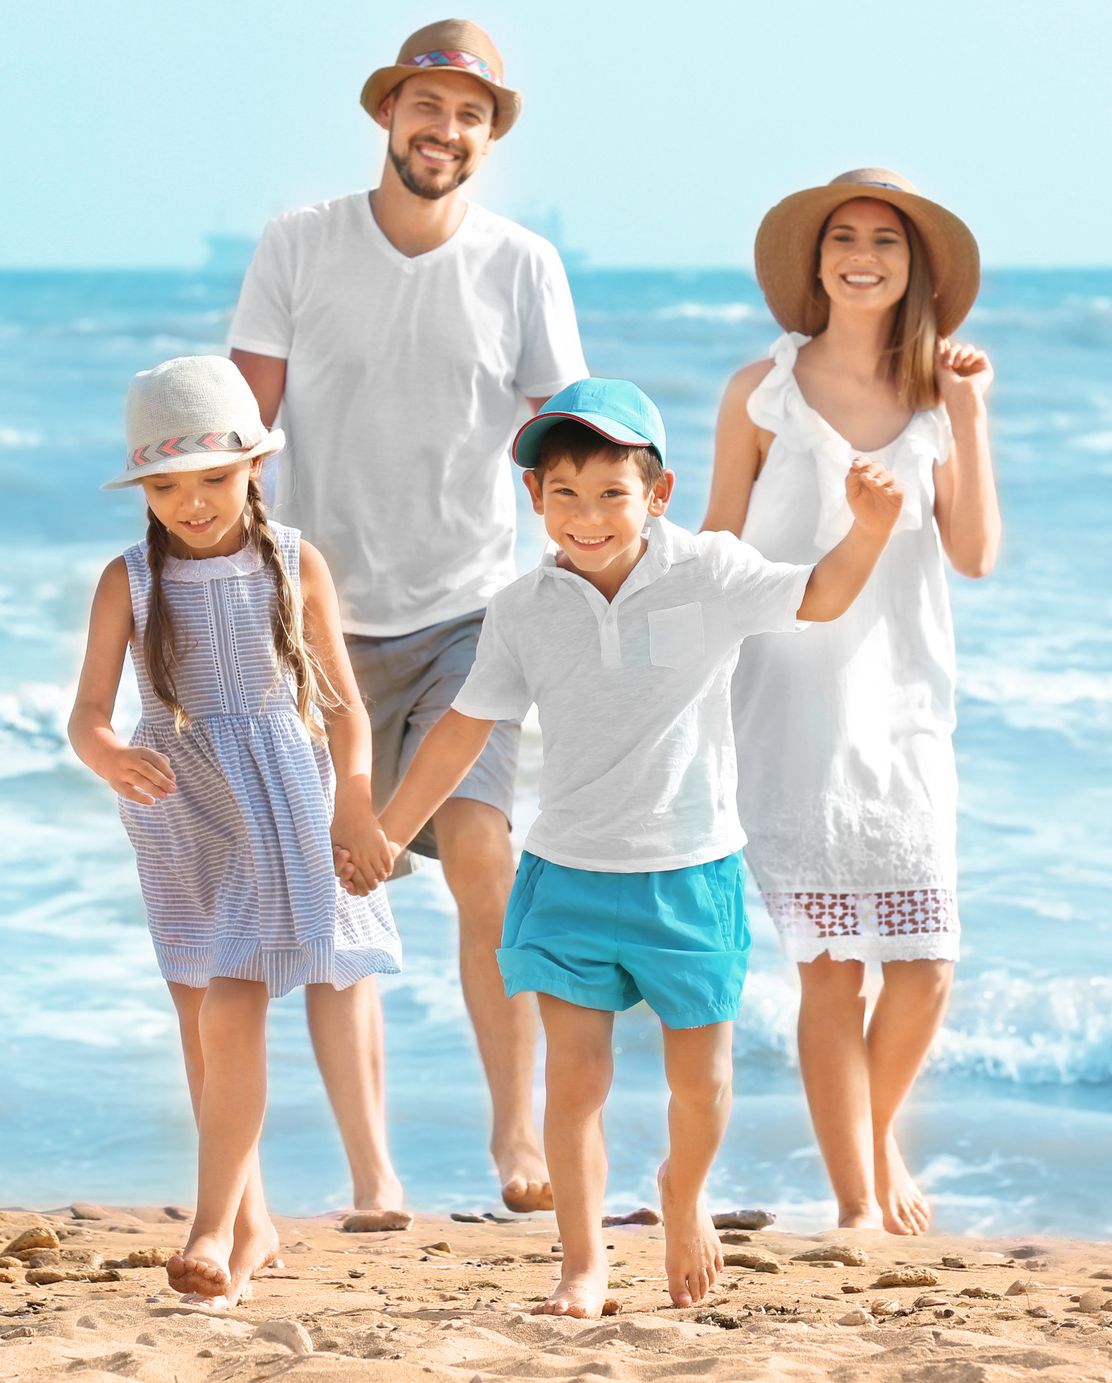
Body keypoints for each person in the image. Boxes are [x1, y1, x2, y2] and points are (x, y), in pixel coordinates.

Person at [365, 378, 905, 1316]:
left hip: (689, 874)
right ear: (535, 501)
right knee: (575, 1080)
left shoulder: (710, 572)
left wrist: (865, 529)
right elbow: (461, 729)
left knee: (702, 1085)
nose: (586, 516)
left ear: (655, 494)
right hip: (567, 873)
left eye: (611, 493)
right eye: (564, 494)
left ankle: (681, 1194)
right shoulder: (523, 608)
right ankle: (581, 1265)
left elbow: (818, 597)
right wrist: (383, 828)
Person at [226, 17, 588, 1215]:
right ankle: (375, 1178)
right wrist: (230, 594)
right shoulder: (299, 244)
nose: (447, 131)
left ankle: (516, 1138)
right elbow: (246, 431)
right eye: (429, 107)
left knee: (484, 858)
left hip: (467, 617)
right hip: (320, 621)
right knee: (344, 887)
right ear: (389, 114)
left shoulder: (523, 265)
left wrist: (594, 581)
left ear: (491, 135)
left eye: (472, 114)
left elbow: (561, 441)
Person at [702, 168, 1002, 1235]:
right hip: (787, 703)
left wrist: (970, 416)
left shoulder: (936, 399)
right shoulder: (760, 394)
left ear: (915, 266)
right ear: (815, 259)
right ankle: (856, 1203)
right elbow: (718, 549)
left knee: (925, 965)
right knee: (831, 974)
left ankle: (874, 1141)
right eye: (843, 236)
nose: (862, 253)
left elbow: (973, 554)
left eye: (885, 238)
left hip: (906, 704)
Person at [65, 356, 401, 1309]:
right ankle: (250, 1221)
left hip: (279, 804)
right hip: (179, 810)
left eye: (213, 477)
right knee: (199, 1017)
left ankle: (210, 1231)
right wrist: (109, 759)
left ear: (254, 466)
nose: (192, 502)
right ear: (143, 490)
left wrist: (355, 800)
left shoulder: (294, 563)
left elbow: (342, 708)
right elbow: (89, 712)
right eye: (167, 486)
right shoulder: (127, 580)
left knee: (235, 999)